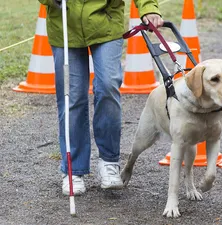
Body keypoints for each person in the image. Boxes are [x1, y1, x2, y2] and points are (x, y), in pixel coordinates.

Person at [37, 0, 163, 195]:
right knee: (73, 96)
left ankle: (109, 161)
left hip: (106, 22)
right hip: (64, 25)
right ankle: (74, 170)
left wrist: (148, 8)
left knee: (107, 86)